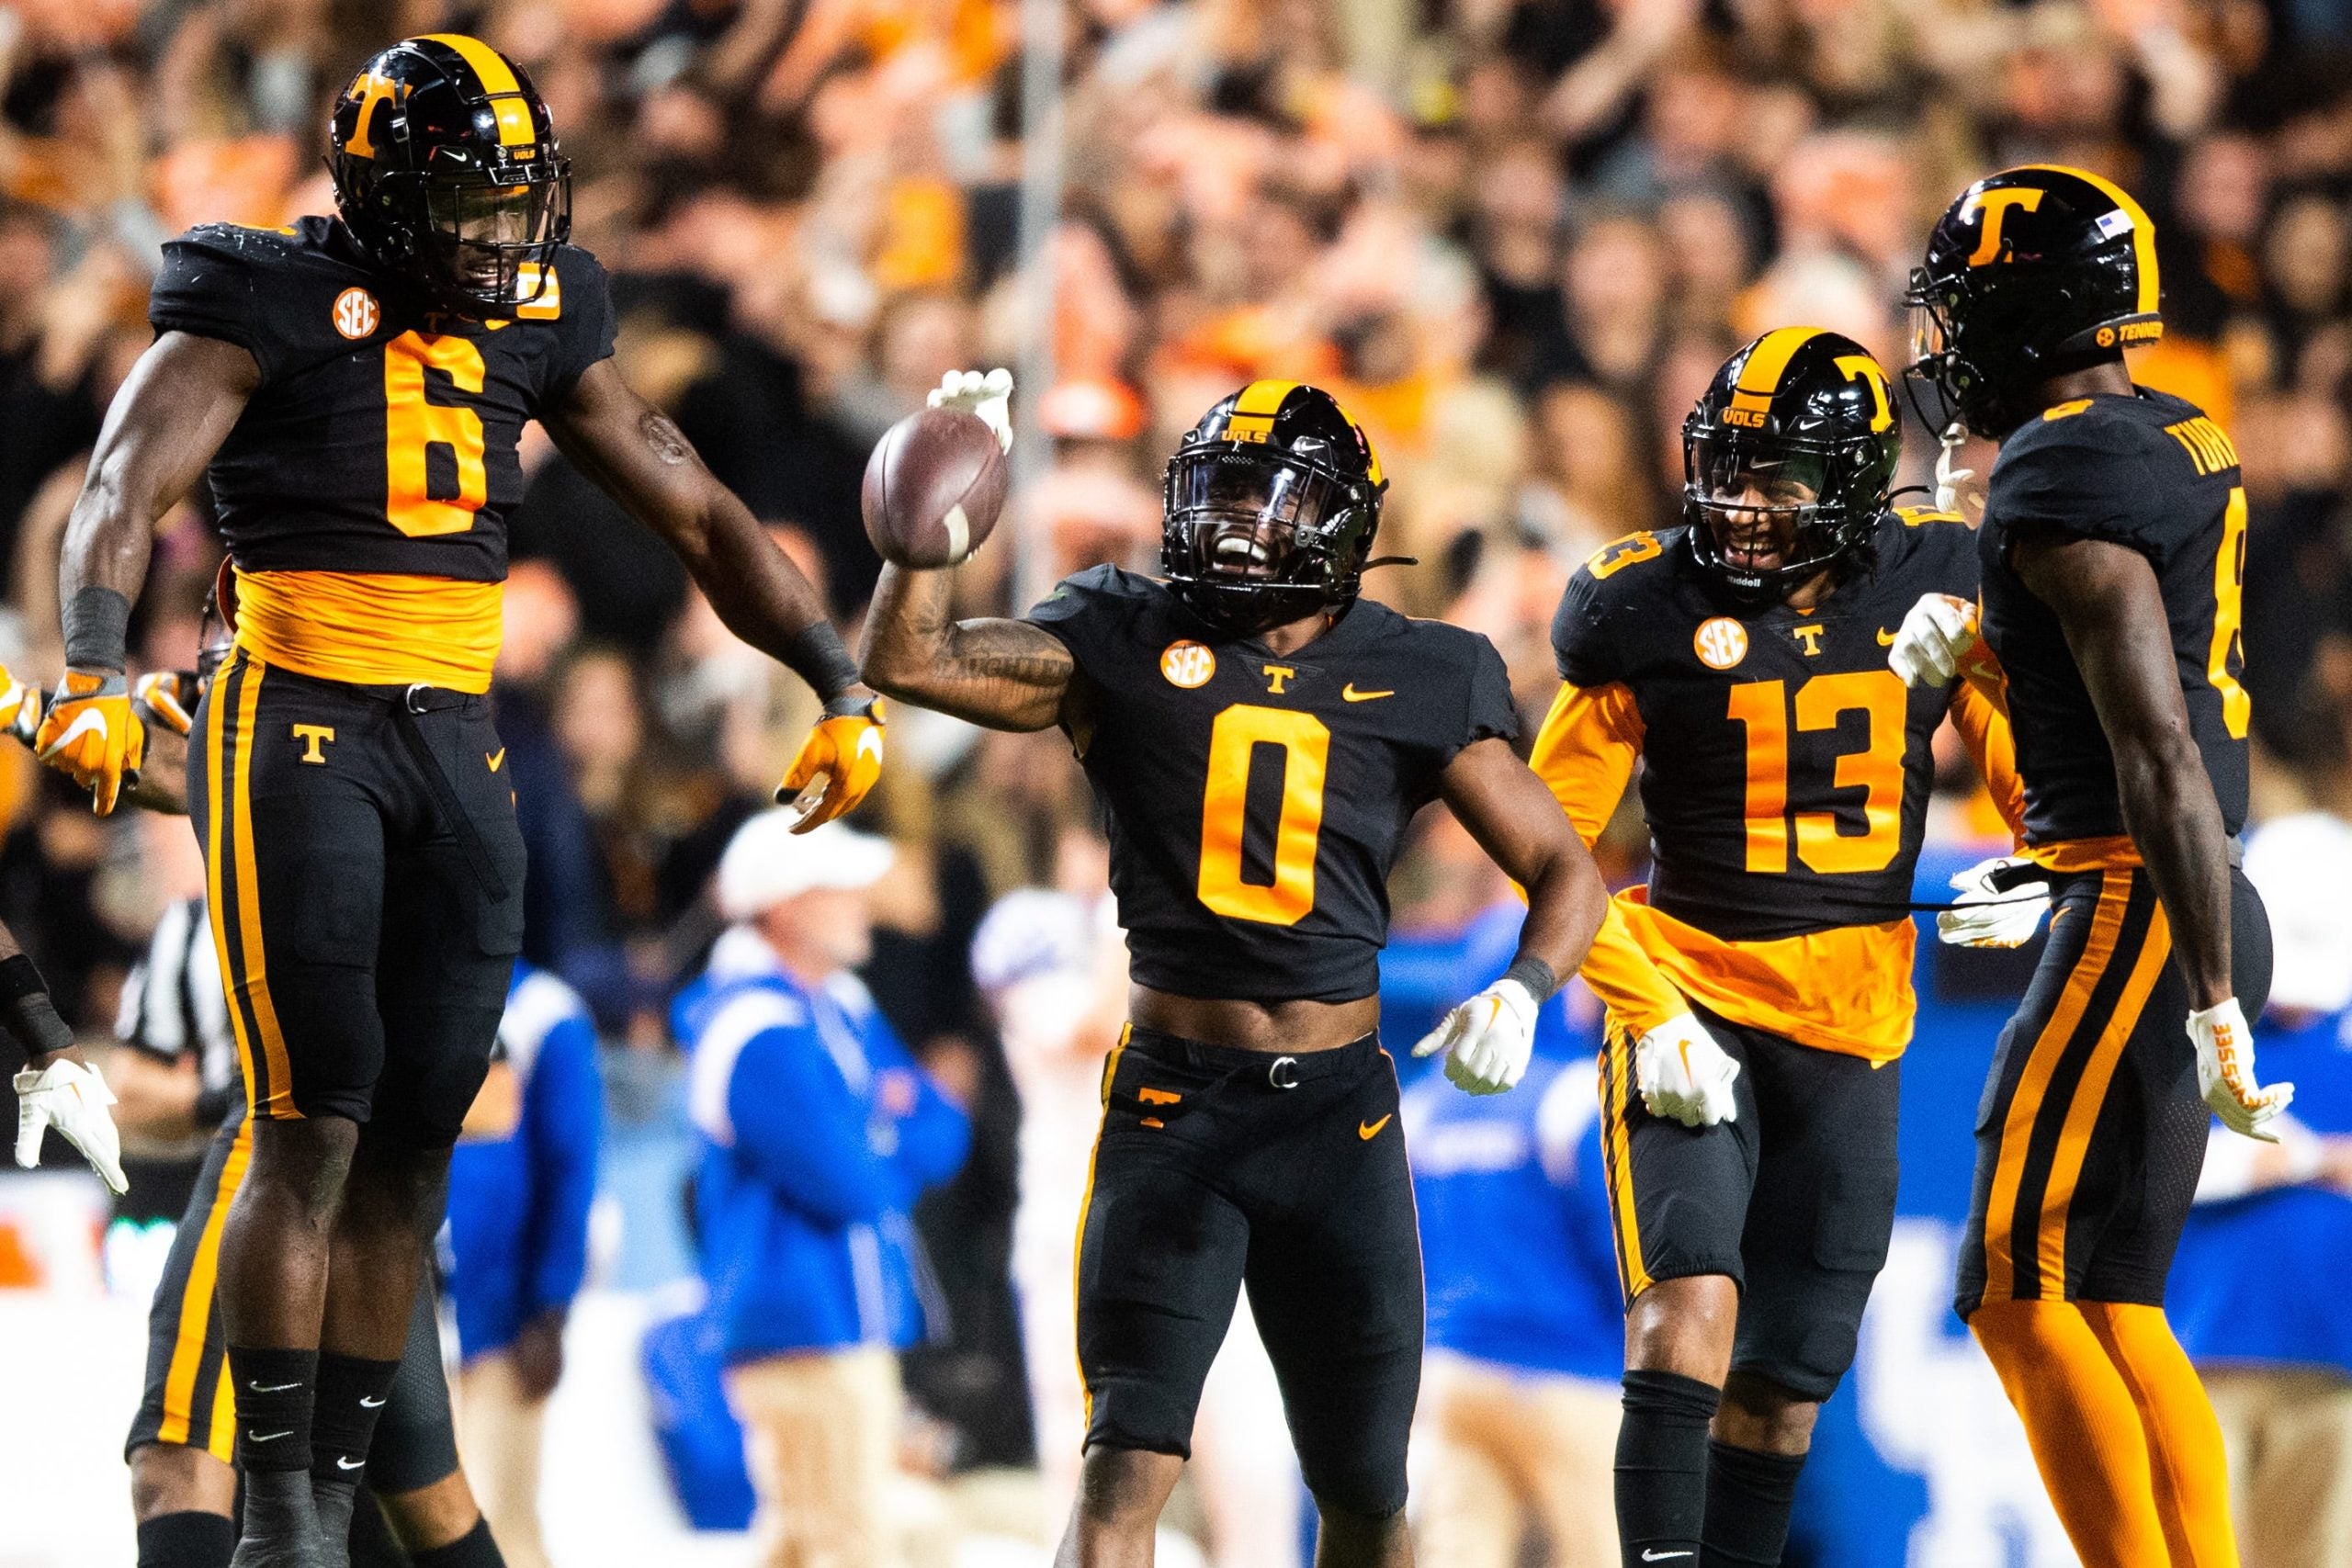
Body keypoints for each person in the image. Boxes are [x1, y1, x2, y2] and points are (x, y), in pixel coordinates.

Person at [37, 36, 885, 1567]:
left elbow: (691, 498)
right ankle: (287, 1522)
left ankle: (328, 1481)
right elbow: (117, 487)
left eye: (517, 203)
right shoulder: (266, 297)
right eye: (473, 205)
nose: (503, 236)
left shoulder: (546, 317)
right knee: (311, 1114)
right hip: (303, 718)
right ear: (380, 194)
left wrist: (839, 677)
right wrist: (95, 663)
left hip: (456, 733)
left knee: (415, 1137)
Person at [862, 372, 1611, 1568]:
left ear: (1337, 521)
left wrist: (1524, 985)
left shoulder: (1421, 670)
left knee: (1364, 1490)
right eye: (1218, 492)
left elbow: (1566, 872)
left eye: (1266, 498)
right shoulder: (1121, 630)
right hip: (1174, 1105)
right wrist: (924, 539)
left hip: (1336, 1120)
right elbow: (913, 661)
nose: (1232, 521)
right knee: (1121, 1466)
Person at [1529, 328, 2027, 1568]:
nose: (1743, 506)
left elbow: (2045, 781)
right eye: (1729, 469)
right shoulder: (1644, 602)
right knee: (1683, 1315)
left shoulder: (1939, 579)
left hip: (1854, 1022)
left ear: (1854, 484)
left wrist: (2044, 865)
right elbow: (1542, 842)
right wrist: (1639, 997)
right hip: (1688, 1001)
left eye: (1778, 479)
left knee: (1789, 1383)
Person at [1893, 164, 2291, 1568]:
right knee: (2114, 1295)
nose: (1948, 346)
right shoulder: (2173, 430)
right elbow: (2129, 667)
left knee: (2008, 1279)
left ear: (2029, 309)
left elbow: (2155, 740)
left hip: (2137, 886)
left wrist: (2210, 991)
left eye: (1971, 311)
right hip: (2170, 878)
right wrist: (1987, 631)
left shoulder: (2062, 469)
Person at [2, 623, 510, 1568]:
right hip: (354, 1211)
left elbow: (499, 1095)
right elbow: (206, 775)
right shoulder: (216, 907)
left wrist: (44, 708)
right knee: (420, 1499)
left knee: (184, 1461)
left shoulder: (324, 721)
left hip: (287, 1161)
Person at [973, 864, 1304, 1567]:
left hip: (1190, 1234)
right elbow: (1096, 1022)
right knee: (1089, 1466)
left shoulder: (1158, 987)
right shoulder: (1047, 994)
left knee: (1250, 1457)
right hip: (1080, 1250)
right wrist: (1133, 907)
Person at [676, 809, 973, 1568]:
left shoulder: (838, 1003)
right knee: (845, 1546)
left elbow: (946, 1124)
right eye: (837, 887)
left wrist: (877, 1134)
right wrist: (885, 1126)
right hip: (802, 1330)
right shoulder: (756, 1027)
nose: (860, 902)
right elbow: (852, 1184)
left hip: (840, 1323)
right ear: (785, 906)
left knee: (804, 1544)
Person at [1401, 971, 1623, 1568]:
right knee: (1601, 1553)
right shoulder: (1574, 1096)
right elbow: (1621, 1251)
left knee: (1461, 1552)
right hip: (1569, 1375)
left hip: (1452, 1375)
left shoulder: (1419, 1109)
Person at [443, 961, 603, 1568]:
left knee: (498, 1524)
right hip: (392, 1303)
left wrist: (550, 1304)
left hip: (497, 1313)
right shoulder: (376, 980)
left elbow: (572, 1161)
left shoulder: (540, 1008)